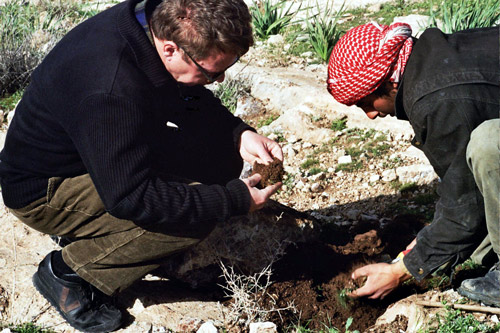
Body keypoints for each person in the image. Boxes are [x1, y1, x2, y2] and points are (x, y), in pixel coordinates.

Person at [0, 0, 283, 331]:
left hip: (95, 154)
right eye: (211, 72)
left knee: (219, 154)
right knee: (197, 217)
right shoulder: (111, 87)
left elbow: (179, 93)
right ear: (170, 49)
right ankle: (70, 273)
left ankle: (99, 233)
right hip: (45, 189)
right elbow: (131, 197)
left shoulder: (149, 22)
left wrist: (238, 134)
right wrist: (232, 200)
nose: (218, 80)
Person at [327, 22, 499, 306]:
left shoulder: (436, 100)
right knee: (478, 251)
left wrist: (401, 271)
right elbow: (461, 178)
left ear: (390, 83)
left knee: (489, 143)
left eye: (366, 103)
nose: (370, 115)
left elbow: (466, 209)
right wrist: (424, 247)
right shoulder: (432, 58)